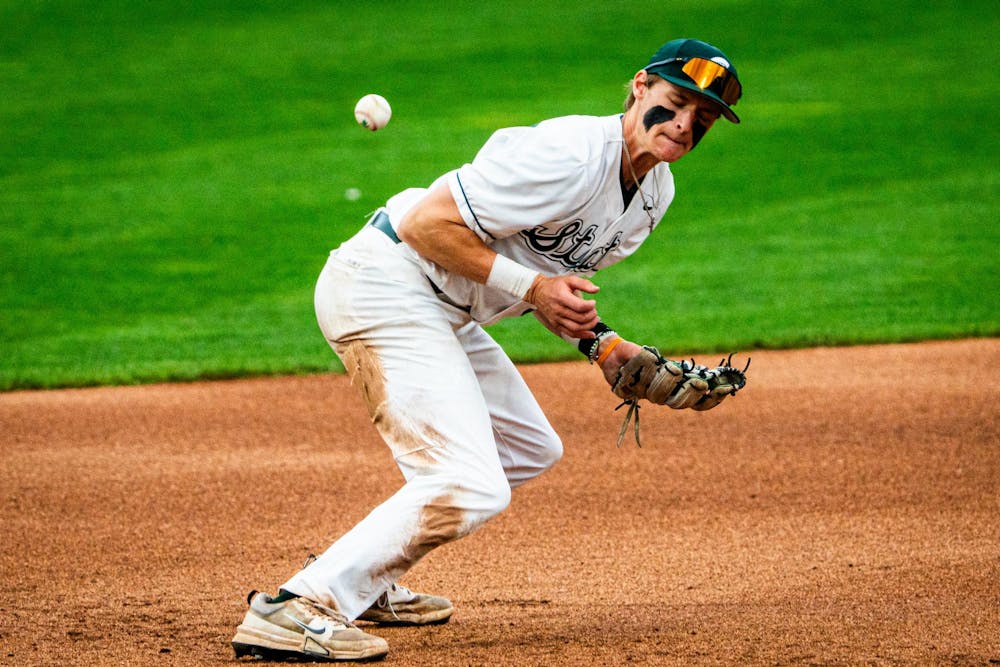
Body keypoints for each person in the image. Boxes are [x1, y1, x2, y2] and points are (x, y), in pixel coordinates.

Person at [232, 37, 743, 662]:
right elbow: (426, 224)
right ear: (640, 87)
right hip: (385, 282)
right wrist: (533, 288)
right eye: (676, 102)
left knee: (528, 448)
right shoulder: (571, 153)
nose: (686, 124)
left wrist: (603, 347)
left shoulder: (654, 195)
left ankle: (365, 576)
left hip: (444, 306)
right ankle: (300, 606)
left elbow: (543, 276)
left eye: (705, 117)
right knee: (470, 481)